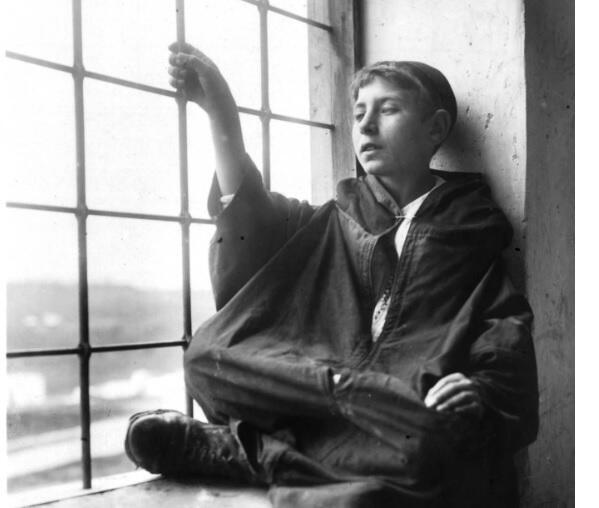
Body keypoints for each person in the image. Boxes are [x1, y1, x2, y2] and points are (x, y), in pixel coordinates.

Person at [124, 42, 539, 507]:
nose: (365, 123)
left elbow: (502, 328)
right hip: (335, 391)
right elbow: (249, 216)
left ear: (435, 129)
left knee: (427, 441)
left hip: (402, 404)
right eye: (359, 111)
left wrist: (478, 390)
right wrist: (223, 114)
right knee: (205, 357)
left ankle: (240, 453)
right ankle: (341, 453)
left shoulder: (470, 232)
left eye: (389, 109)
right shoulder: (335, 215)